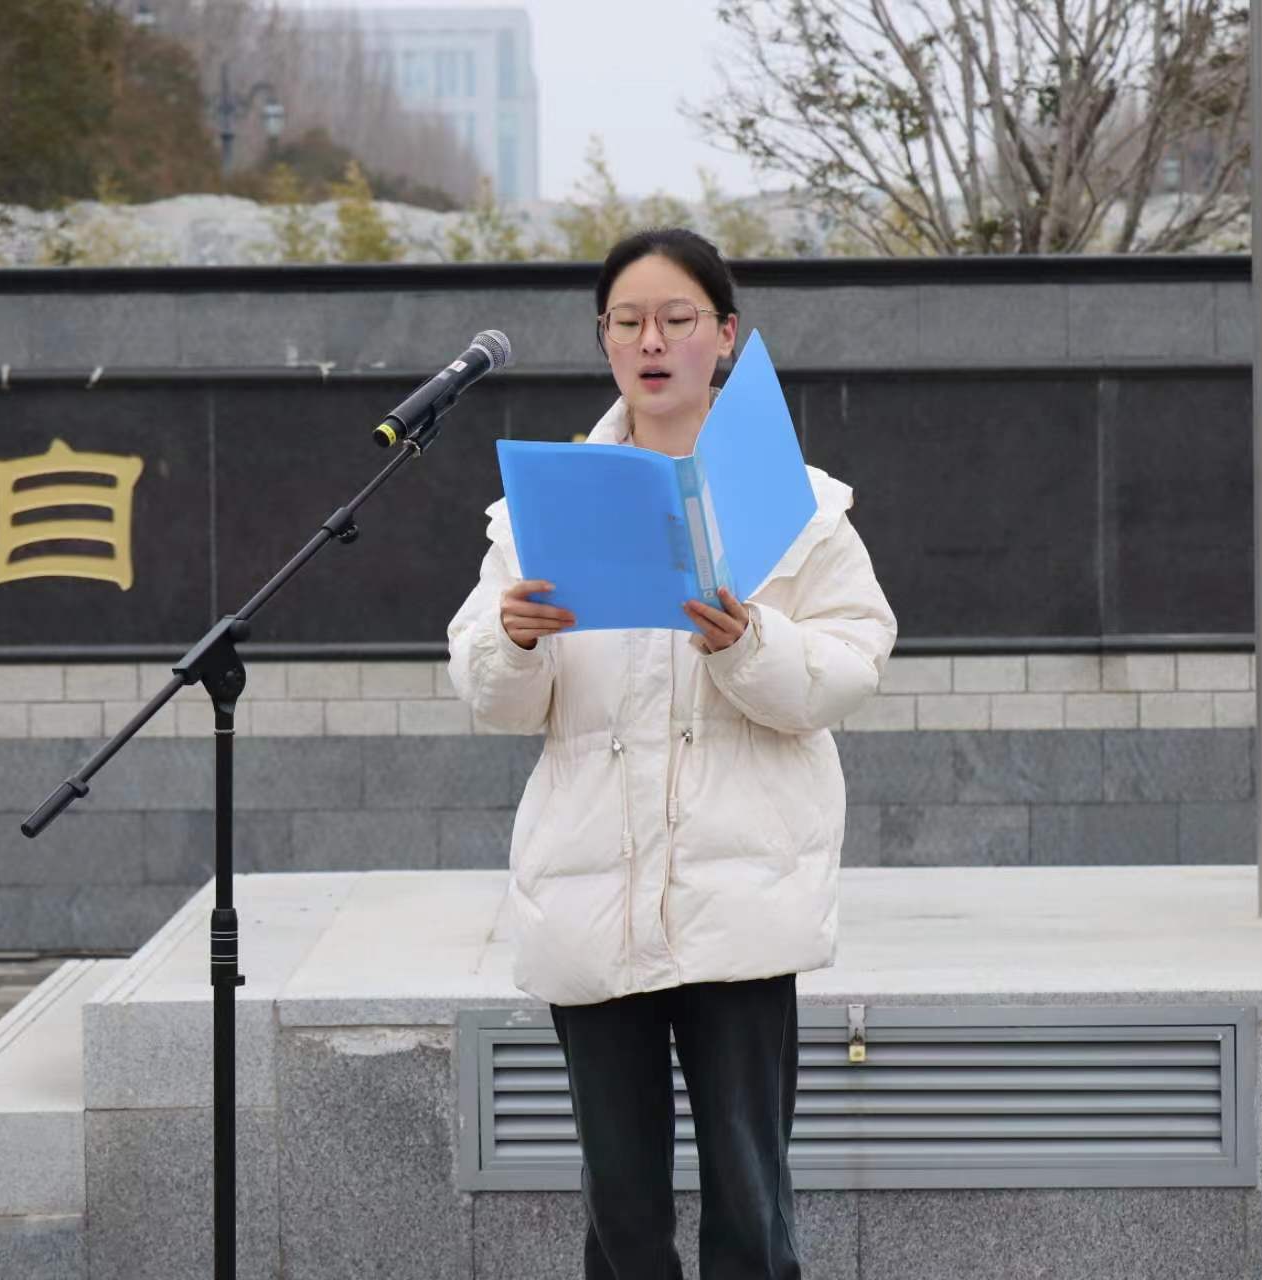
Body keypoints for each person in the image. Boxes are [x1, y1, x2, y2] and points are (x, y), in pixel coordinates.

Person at [445, 227, 898, 1279]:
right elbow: (491, 693)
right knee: (621, 1208)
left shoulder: (799, 506)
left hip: (740, 894)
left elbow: (851, 664)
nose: (651, 342)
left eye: (676, 318)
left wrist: (748, 643)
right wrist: (514, 640)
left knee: (750, 1200)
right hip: (591, 889)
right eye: (627, 322)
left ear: (724, 335)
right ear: (604, 340)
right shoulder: (541, 510)